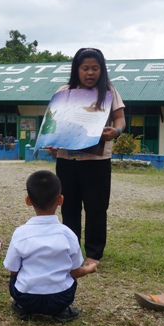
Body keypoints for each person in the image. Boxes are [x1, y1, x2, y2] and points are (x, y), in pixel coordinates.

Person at [53, 47, 126, 266]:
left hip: (97, 161)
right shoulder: (64, 92)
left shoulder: (109, 91)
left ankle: (94, 255)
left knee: (96, 208)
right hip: (67, 160)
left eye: (95, 68)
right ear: (77, 69)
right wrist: (51, 140)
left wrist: (116, 131)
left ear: (102, 70)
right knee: (69, 207)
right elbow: (53, 121)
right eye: (85, 68)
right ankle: (72, 251)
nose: (90, 73)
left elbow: (120, 119)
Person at [4, 170, 98, 323]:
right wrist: (89, 268)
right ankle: (61, 311)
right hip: (60, 298)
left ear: (28, 200)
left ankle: (22, 307)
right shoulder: (68, 234)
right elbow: (75, 272)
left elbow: (13, 269)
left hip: (26, 297)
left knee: (15, 275)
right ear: (60, 200)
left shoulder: (20, 233)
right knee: (69, 275)